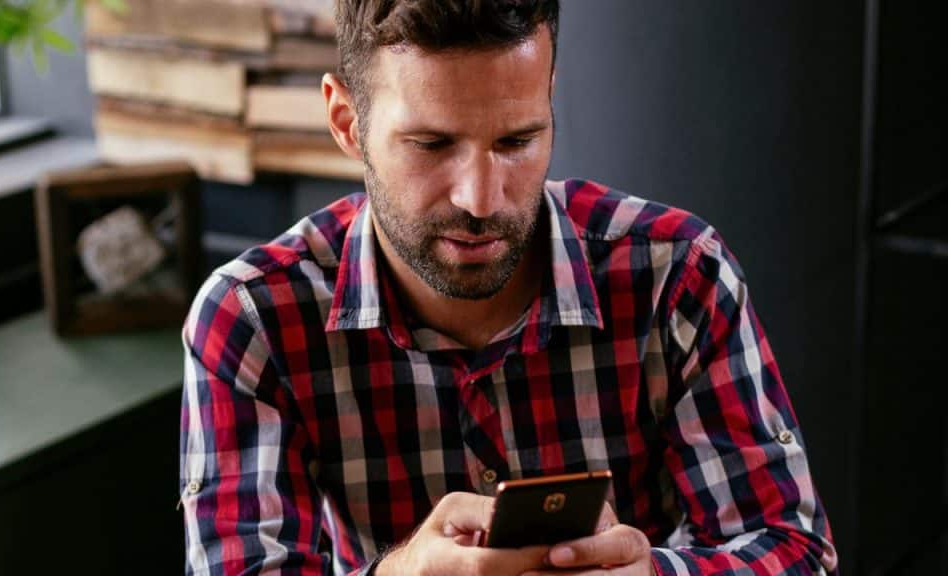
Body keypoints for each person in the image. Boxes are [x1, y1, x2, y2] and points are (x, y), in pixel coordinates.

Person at [179, 1, 838, 574]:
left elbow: (794, 552)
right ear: (347, 122)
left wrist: (650, 574)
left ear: (549, 95)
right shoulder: (252, 320)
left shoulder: (679, 275)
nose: (481, 199)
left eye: (517, 140)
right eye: (432, 144)